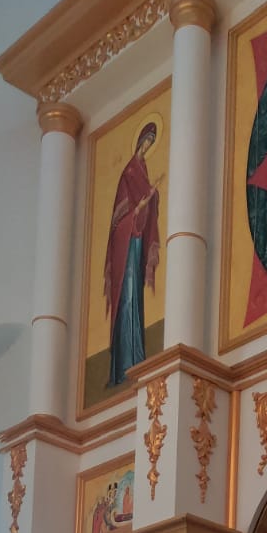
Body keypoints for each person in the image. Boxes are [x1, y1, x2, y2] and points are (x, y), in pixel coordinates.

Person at [104, 122, 162, 387]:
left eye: (151, 143)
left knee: (135, 297)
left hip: (136, 242)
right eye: (146, 142)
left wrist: (152, 198)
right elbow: (119, 219)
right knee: (126, 297)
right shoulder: (128, 173)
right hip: (125, 246)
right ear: (139, 142)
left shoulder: (143, 170)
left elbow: (144, 205)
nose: (147, 146)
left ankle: (137, 356)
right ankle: (124, 365)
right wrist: (138, 209)